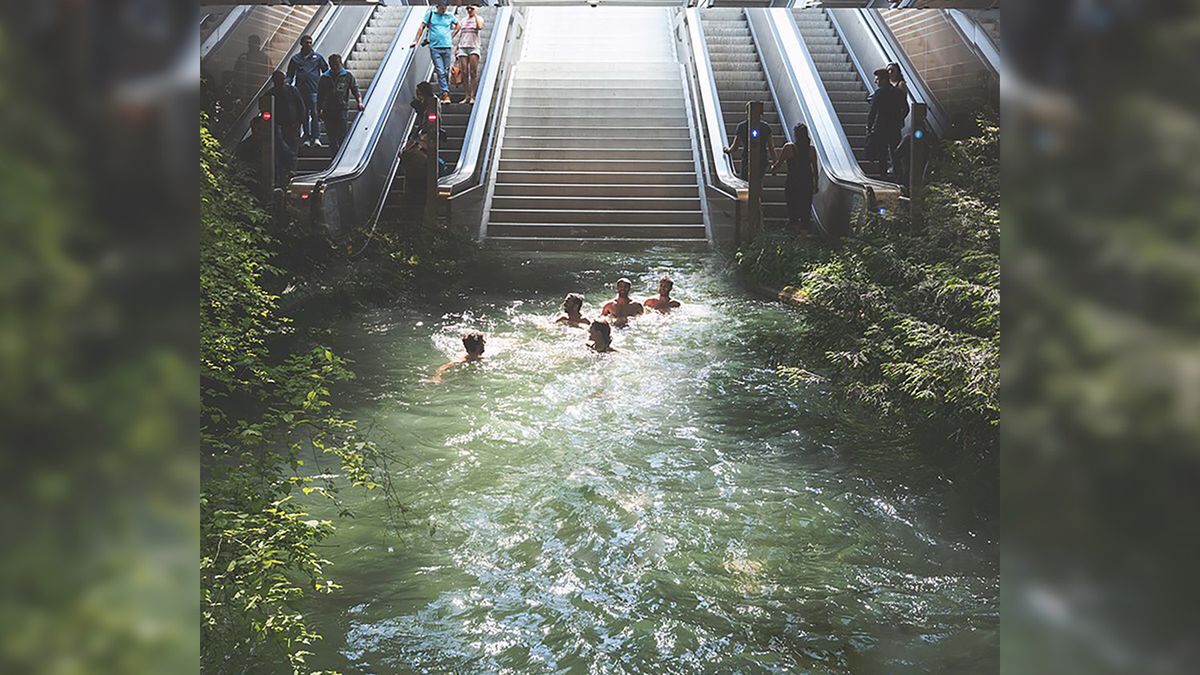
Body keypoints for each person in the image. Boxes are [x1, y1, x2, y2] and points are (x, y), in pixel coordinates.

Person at [770, 122, 819, 231]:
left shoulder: (789, 147)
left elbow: (779, 164)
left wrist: (773, 169)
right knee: (805, 209)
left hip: (793, 182)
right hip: (807, 183)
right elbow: (815, 170)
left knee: (793, 207)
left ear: (795, 134)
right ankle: (803, 236)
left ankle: (794, 232)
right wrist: (816, 185)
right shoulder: (811, 150)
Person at [263, 70, 306, 185]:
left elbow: (300, 106)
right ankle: (285, 171)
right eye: (278, 79)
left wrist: (302, 123)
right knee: (283, 148)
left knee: (292, 147)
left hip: (293, 125)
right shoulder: (270, 94)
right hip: (278, 126)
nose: (281, 81)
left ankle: (291, 170)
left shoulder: (292, 90)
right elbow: (265, 110)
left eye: (282, 79)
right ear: (274, 80)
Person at [287, 34, 329, 147]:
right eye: (307, 43)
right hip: (300, 91)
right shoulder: (295, 59)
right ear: (302, 44)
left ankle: (316, 137)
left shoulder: (318, 58)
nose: (309, 45)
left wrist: (326, 85)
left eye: (310, 42)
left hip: (314, 90)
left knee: (315, 113)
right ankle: (306, 136)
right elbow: (290, 74)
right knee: (303, 114)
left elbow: (326, 71)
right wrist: (287, 84)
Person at [866, 67, 909, 179]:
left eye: (877, 79)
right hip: (895, 128)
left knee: (882, 154)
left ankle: (883, 176)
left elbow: (873, 112)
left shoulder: (879, 93)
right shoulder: (897, 93)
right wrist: (899, 119)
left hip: (881, 128)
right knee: (895, 153)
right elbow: (906, 108)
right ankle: (898, 177)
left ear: (884, 80)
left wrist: (869, 127)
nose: (876, 81)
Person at [412, 2, 458, 104]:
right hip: (435, 47)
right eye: (442, 8)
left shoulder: (449, 16)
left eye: (445, 7)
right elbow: (422, 26)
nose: (443, 9)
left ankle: (444, 93)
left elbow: (458, 25)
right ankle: (445, 93)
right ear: (437, 7)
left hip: (447, 47)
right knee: (440, 71)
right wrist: (416, 40)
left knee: (446, 71)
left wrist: (452, 35)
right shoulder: (431, 14)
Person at [317, 54, 363, 154]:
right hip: (328, 111)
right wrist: (318, 111)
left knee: (342, 134)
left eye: (336, 64)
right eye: (332, 64)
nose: (335, 66)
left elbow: (355, 89)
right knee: (331, 136)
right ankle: (334, 157)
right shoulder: (324, 77)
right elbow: (320, 95)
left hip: (341, 109)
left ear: (340, 63)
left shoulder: (347, 76)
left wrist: (359, 102)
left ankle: (342, 156)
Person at [723, 102, 777, 181]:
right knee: (758, 181)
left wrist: (727, 150)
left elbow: (735, 147)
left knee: (746, 181)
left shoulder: (741, 127)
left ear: (747, 112)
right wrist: (775, 164)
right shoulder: (766, 127)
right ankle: (758, 193)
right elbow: (771, 148)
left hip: (747, 158)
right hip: (762, 159)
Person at [454, 5, 484, 105]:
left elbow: (479, 27)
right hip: (463, 47)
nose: (469, 10)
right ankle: (466, 95)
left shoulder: (479, 19)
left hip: (474, 47)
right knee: (464, 72)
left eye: (472, 8)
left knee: (473, 72)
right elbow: (461, 34)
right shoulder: (463, 20)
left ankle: (472, 95)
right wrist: (457, 47)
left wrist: (474, 16)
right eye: (468, 8)